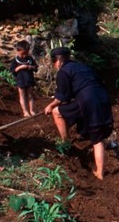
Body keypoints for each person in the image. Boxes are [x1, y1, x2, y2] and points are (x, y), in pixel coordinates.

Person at [44, 47, 114, 180]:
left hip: (87, 100)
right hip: (102, 96)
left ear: (58, 60)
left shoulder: (63, 71)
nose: (54, 65)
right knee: (98, 137)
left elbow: (61, 97)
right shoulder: (82, 66)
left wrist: (50, 105)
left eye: (53, 61)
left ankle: (65, 142)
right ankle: (100, 172)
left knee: (56, 112)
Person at [9, 40, 38, 117]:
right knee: (22, 96)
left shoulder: (29, 59)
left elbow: (35, 68)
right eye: (22, 54)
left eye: (26, 53)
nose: (24, 56)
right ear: (18, 51)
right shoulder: (15, 61)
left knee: (30, 95)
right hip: (20, 80)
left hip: (29, 79)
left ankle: (32, 110)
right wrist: (21, 67)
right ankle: (25, 111)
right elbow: (12, 70)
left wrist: (29, 67)